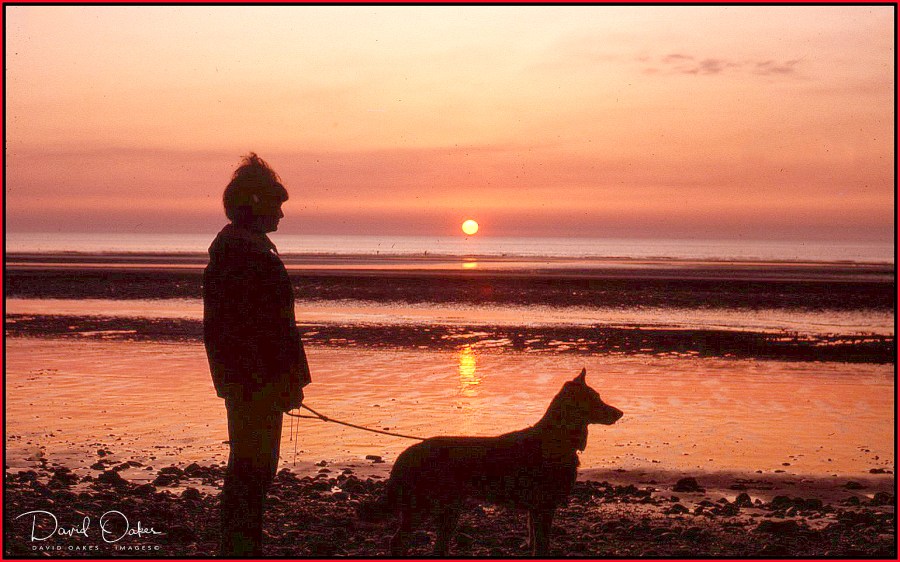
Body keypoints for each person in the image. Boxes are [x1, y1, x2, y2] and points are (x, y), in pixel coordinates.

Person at [203, 153, 311, 557]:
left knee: (255, 468)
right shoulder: (240, 254)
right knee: (253, 467)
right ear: (257, 205)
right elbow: (253, 330)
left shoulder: (249, 249)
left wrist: (292, 378)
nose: (282, 215)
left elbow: (275, 327)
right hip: (254, 380)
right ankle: (241, 548)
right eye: (277, 205)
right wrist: (284, 381)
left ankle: (244, 545)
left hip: (256, 378)